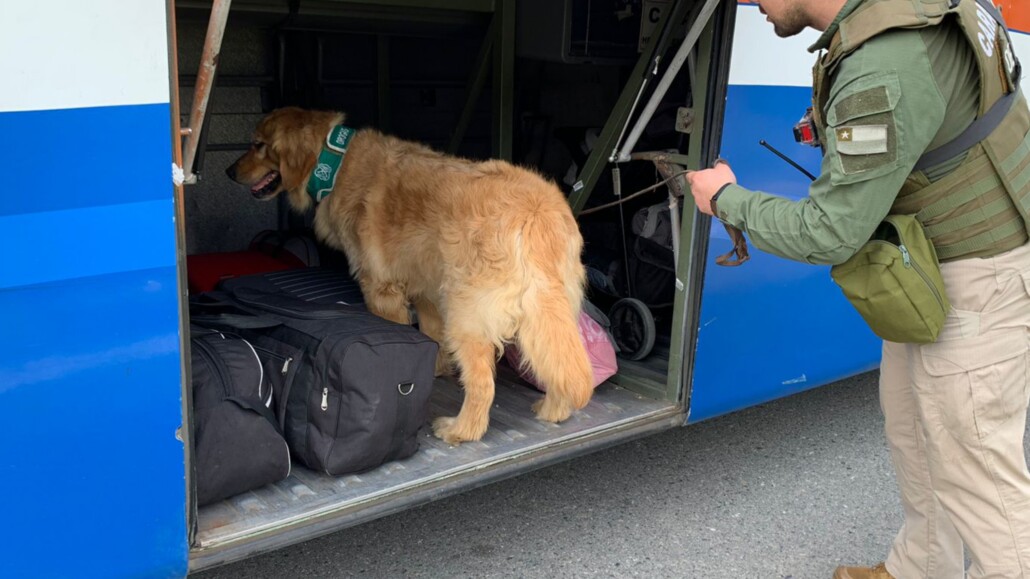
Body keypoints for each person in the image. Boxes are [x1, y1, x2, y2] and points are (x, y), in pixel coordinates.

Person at [686, 0, 1030, 577]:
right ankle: (922, 568)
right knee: (915, 431)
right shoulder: (908, 12)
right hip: (927, 269)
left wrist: (726, 199)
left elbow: (830, 233)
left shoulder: (884, 63)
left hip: (977, 277)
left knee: (983, 482)